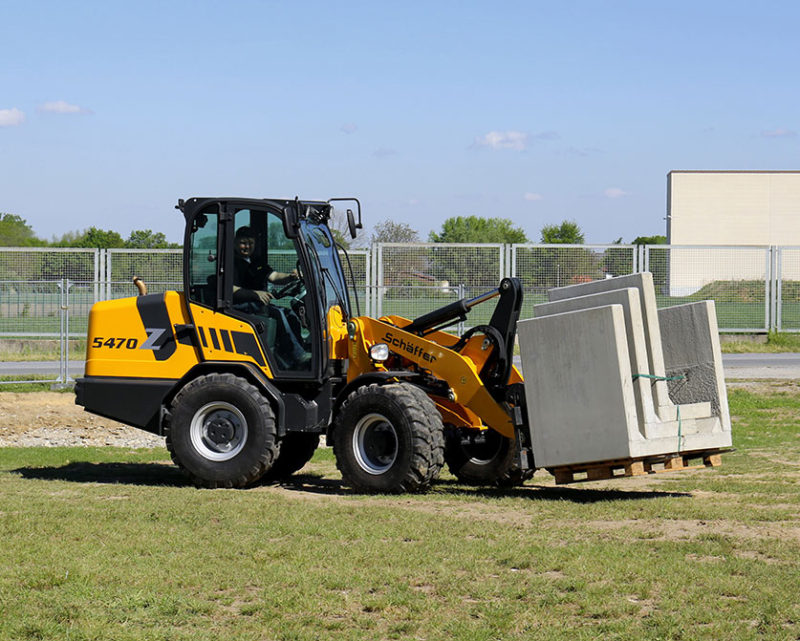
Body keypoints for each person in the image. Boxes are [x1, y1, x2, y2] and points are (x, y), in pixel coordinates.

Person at [231, 226, 309, 369]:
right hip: (237, 306)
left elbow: (274, 276)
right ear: (235, 242)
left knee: (289, 313)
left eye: (250, 243)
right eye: (243, 242)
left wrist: (291, 277)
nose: (247, 246)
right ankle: (297, 355)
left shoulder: (256, 263)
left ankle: (294, 354)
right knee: (277, 313)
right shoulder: (230, 263)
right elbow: (230, 288)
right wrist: (256, 294)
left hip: (255, 305)